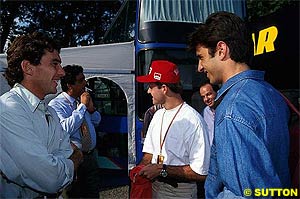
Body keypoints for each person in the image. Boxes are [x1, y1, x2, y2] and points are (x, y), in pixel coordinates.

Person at [188, 11, 290, 198]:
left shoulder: (232, 109)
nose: (199, 67)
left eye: (201, 57)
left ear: (221, 50)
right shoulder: (272, 94)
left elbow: (243, 194)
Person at [0, 32, 83, 198]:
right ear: (28, 68)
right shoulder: (8, 109)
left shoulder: (48, 110)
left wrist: (56, 163)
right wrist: (74, 160)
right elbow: (50, 178)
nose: (62, 72)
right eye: (55, 64)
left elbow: (61, 156)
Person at [136, 60, 211, 198]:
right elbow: (148, 155)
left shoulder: (193, 121)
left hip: (179, 192)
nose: (148, 91)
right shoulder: (157, 115)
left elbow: (201, 172)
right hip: (154, 187)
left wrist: (162, 170)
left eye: (150, 86)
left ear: (164, 88)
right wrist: (139, 171)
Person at [48, 64, 101, 198]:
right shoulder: (56, 104)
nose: (85, 83)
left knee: (92, 194)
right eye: (81, 80)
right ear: (70, 85)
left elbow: (96, 121)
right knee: (74, 194)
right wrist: (82, 107)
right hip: (72, 158)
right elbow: (65, 129)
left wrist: (91, 109)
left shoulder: (80, 102)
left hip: (90, 156)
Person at [199, 81, 218, 146]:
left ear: (217, 92)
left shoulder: (227, 109)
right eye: (203, 97)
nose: (206, 99)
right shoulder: (204, 113)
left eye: (208, 94)